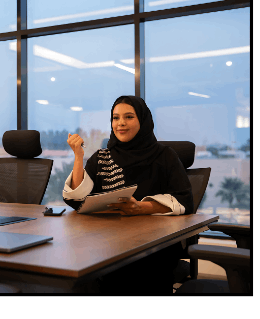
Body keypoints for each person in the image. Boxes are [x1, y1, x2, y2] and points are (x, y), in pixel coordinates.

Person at [63, 95, 194, 294]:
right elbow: (77, 199)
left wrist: (141, 208)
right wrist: (79, 157)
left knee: (119, 275)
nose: (121, 123)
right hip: (104, 243)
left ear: (143, 120)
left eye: (129, 117)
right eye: (115, 118)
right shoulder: (102, 157)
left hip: (152, 248)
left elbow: (184, 200)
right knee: (78, 270)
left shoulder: (165, 156)